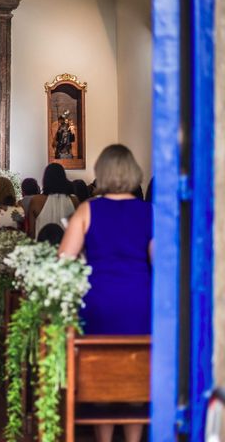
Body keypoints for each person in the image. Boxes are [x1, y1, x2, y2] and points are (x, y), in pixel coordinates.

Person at [59, 144, 152, 442]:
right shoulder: (149, 211)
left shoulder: (88, 209)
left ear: (102, 173)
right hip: (140, 299)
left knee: (100, 370)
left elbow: (64, 260)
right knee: (136, 372)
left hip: (99, 299)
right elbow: (162, 260)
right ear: (132, 173)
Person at [28, 163, 79, 239]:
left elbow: (32, 232)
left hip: (43, 248)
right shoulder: (74, 200)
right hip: (66, 247)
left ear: (46, 179)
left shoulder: (36, 200)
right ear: (63, 178)